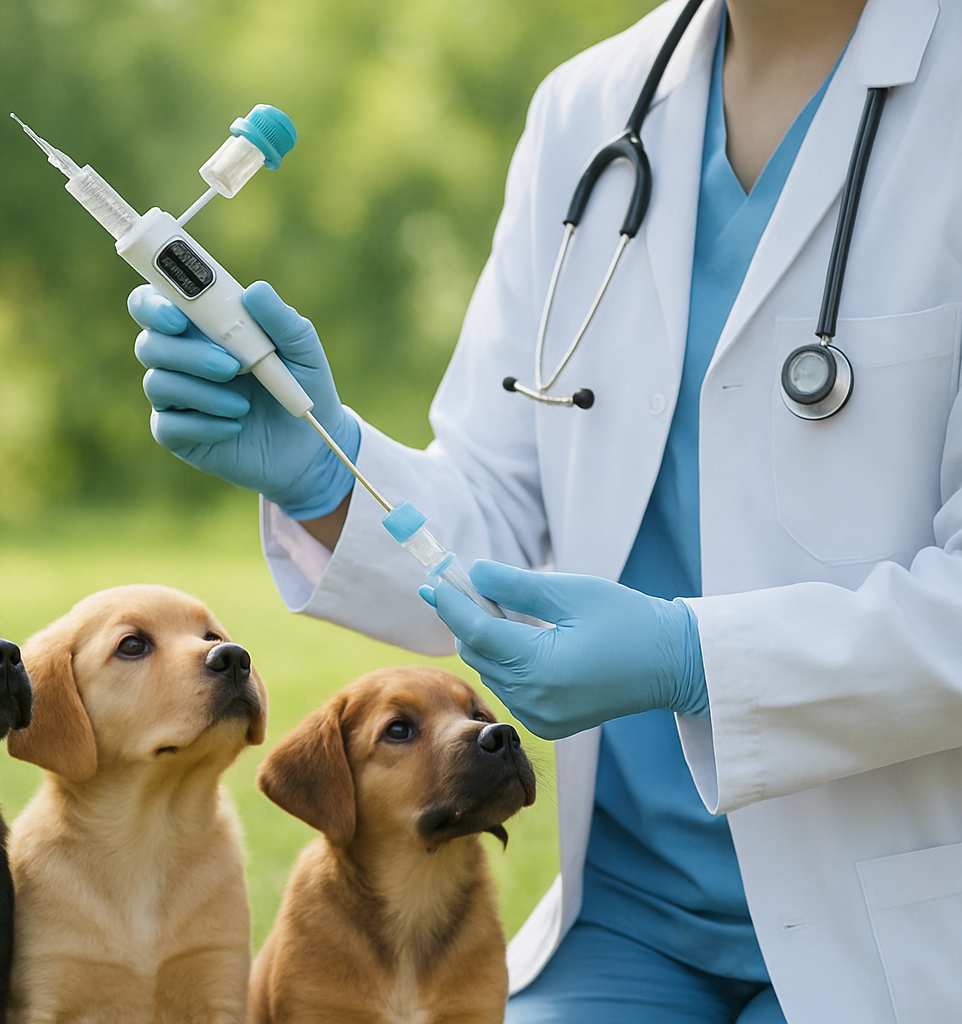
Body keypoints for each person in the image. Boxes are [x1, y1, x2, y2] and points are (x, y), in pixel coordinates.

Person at [125, 0, 962, 1021]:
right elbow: (499, 523)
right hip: (629, 918)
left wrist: (688, 655)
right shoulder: (589, 111)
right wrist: (329, 475)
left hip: (917, 916)